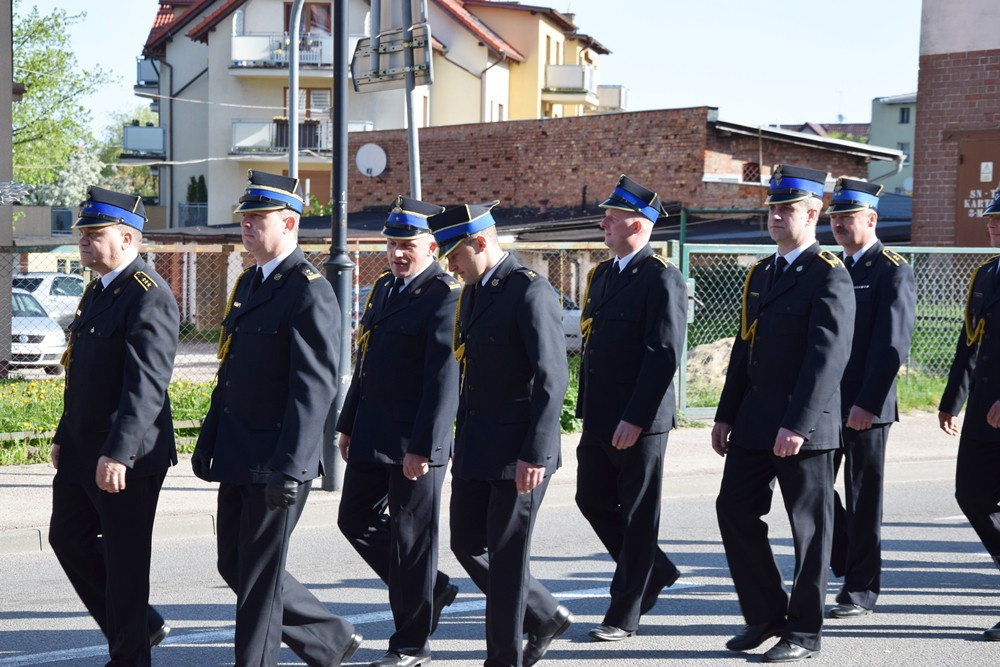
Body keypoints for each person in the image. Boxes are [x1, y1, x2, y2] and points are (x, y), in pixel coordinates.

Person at [191, 170, 360, 666]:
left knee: (260, 578)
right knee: (234, 563)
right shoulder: (249, 282)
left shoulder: (308, 289)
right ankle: (328, 638)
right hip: (239, 450)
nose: (245, 226)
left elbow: (314, 389)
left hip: (277, 457)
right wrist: (209, 439)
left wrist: (293, 465)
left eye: (256, 218)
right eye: (244, 218)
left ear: (288, 223)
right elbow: (232, 374)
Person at [711, 165, 855, 663]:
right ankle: (767, 614)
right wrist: (725, 415)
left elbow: (826, 359)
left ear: (813, 213)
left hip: (804, 428)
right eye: (772, 207)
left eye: (786, 208)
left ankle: (805, 631)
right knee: (732, 510)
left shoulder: (828, 275)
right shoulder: (762, 272)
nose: (774, 216)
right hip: (753, 421)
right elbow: (744, 353)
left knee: (810, 530)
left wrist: (797, 424)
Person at [428, 202, 572, 667]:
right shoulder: (473, 291)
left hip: (519, 452)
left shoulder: (530, 292)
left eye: (454, 254)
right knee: (467, 542)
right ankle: (544, 614)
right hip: (477, 444)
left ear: (481, 242)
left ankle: (503, 659)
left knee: (508, 561)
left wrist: (535, 453)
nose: (448, 265)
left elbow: (553, 380)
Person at [48, 185, 179, 666]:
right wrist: (65, 434)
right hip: (85, 448)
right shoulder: (100, 289)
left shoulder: (148, 295)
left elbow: (145, 386)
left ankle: (130, 655)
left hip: (129, 455)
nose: (83, 240)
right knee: (67, 537)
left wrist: (118, 453)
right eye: (82, 232)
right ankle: (140, 625)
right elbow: (81, 370)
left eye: (94, 233)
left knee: (125, 564)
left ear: (127, 238)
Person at [336, 196, 461, 667]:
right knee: (355, 519)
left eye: (407, 245)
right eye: (392, 244)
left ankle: (411, 643)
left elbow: (442, 380)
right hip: (372, 433)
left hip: (414, 443)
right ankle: (433, 587)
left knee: (413, 542)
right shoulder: (385, 288)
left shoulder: (444, 295)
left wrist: (423, 446)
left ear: (432, 246)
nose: (397, 253)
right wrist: (348, 425)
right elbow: (365, 363)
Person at [574, 175, 687, 641]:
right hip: (600, 413)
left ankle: (625, 610)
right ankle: (654, 569)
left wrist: (636, 418)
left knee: (639, 513)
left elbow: (663, 355)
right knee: (591, 498)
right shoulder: (603, 273)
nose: (605, 223)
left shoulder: (662, 278)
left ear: (638, 226)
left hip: (638, 420)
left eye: (613, 218)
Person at [827, 177, 915, 619]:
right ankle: (843, 558)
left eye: (848, 216)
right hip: (826, 404)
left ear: (872, 218)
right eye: (835, 217)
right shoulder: (833, 268)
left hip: (866, 406)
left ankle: (860, 589)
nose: (839, 224)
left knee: (863, 497)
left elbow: (892, 346)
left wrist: (868, 403)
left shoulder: (891, 268)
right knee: (813, 487)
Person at [939, 187, 1000, 641]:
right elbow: (970, 342)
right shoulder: (986, 273)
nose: (993, 224)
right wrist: (951, 399)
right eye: (992, 218)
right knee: (971, 495)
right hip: (982, 408)